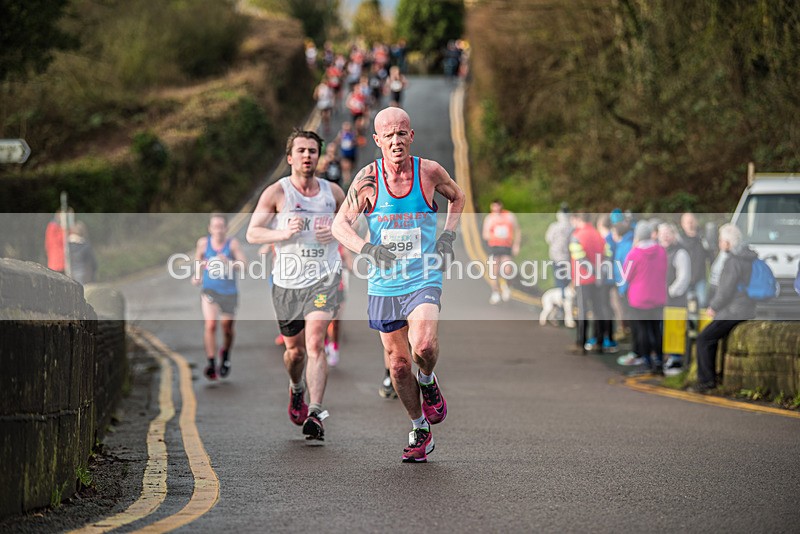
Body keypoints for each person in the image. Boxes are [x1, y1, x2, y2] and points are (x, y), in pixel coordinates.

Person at [331, 107, 466, 463]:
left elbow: (458, 196)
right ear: (376, 141)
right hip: (384, 284)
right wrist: (368, 248)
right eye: (387, 135)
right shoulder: (367, 180)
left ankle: (428, 379)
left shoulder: (430, 172)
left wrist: (448, 236)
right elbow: (339, 225)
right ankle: (420, 428)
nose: (395, 141)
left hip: (423, 275)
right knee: (398, 365)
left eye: (401, 133)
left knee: (422, 345)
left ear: (411, 136)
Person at [246, 130, 345, 441]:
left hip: (324, 278)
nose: (307, 156)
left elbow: (356, 225)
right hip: (287, 283)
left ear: (319, 156)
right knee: (295, 354)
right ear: (290, 158)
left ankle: (315, 413)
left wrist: (337, 231)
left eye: (313, 151)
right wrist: (282, 234)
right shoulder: (277, 193)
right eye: (301, 151)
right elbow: (252, 233)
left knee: (315, 344)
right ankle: (296, 388)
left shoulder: (334, 193)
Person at [689, 224, 757, 393]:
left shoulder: (733, 261)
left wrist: (713, 306)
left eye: (721, 240)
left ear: (727, 242)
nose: (719, 243)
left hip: (733, 310)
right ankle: (712, 377)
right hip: (746, 308)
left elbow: (726, 290)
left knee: (704, 339)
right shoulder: (748, 257)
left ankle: (706, 381)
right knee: (711, 338)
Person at [192, 213, 247, 380]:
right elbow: (198, 260)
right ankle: (211, 363)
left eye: (221, 227)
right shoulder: (203, 243)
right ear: (210, 229)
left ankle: (225, 355)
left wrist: (229, 263)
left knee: (227, 328)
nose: (218, 230)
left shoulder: (232, 244)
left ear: (226, 228)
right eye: (215, 227)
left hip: (229, 292)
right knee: (210, 325)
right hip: (210, 290)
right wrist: (197, 275)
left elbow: (244, 265)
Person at [622, 221, 667, 374]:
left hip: (639, 298)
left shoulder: (634, 254)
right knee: (656, 330)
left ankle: (647, 361)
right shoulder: (661, 251)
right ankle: (659, 361)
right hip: (658, 297)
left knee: (643, 331)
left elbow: (626, 276)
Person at [569, 213, 613, 354]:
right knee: (598, 310)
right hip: (598, 280)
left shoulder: (577, 236)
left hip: (583, 279)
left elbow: (580, 259)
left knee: (582, 311)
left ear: (578, 219)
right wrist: (600, 272)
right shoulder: (599, 235)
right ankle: (599, 342)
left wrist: (592, 271)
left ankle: (581, 343)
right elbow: (608, 255)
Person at [657, 222, 691, 375]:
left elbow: (684, 278)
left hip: (675, 299)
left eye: (667, 233)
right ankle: (669, 358)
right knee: (665, 329)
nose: (665, 236)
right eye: (662, 233)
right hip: (661, 299)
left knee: (675, 329)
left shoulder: (681, 253)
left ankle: (676, 360)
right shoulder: (659, 252)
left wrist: (670, 292)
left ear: (674, 235)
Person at [482, 199, 520, 304]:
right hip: (494, 246)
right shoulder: (489, 218)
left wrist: (516, 245)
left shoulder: (509, 216)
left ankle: (507, 286)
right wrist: (496, 235)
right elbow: (485, 234)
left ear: (501, 206)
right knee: (494, 271)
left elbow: (517, 230)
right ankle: (495, 292)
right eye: (494, 207)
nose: (496, 209)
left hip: (506, 246)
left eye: (498, 207)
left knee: (507, 269)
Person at [679, 212, 712, 307]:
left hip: (700, 279)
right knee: (684, 306)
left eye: (692, 221)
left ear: (696, 222)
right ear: (682, 224)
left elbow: (710, 258)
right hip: (684, 280)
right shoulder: (680, 241)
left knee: (702, 303)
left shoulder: (703, 239)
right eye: (687, 222)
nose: (690, 224)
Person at [545, 204, 572, 296]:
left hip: (557, 257)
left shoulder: (554, 227)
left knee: (559, 281)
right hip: (568, 258)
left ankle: (561, 304)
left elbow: (548, 239)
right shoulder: (572, 227)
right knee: (567, 281)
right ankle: (567, 303)